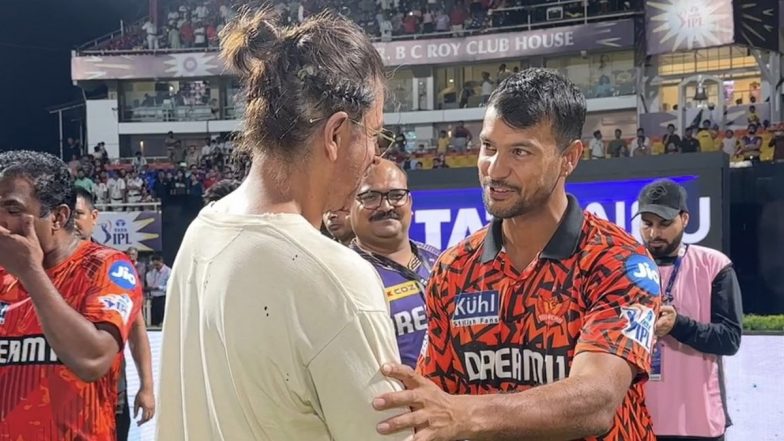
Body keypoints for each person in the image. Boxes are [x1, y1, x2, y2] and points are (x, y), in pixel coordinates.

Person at [156, 8, 410, 441]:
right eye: (373, 134)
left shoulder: (201, 232)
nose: (374, 155)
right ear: (335, 136)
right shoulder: (335, 278)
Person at [373, 68, 662, 440]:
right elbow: (435, 398)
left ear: (569, 158)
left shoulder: (618, 262)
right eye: (488, 147)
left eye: (520, 152)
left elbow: (597, 401)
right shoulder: (453, 269)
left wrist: (465, 414)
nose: (495, 169)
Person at [0, 150, 142, 440]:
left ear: (57, 216)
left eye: (12, 209)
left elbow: (92, 360)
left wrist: (30, 273)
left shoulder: (106, 267)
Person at [636, 179, 742, 441]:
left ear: (684, 219)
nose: (654, 233)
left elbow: (729, 339)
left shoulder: (714, 265)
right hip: (638, 421)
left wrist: (678, 325)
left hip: (698, 423)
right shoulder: (626, 268)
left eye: (664, 223)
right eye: (647, 224)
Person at [73, 188, 156, 438]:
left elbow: (137, 329)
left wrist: (147, 387)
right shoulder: (43, 266)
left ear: (94, 216)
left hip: (108, 391)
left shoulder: (113, 264)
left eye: (78, 214)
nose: (72, 222)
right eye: (65, 215)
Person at [349, 159, 440, 367]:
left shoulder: (441, 261)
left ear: (410, 202)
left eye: (396, 195)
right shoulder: (345, 275)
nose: (386, 206)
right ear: (348, 206)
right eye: (370, 197)